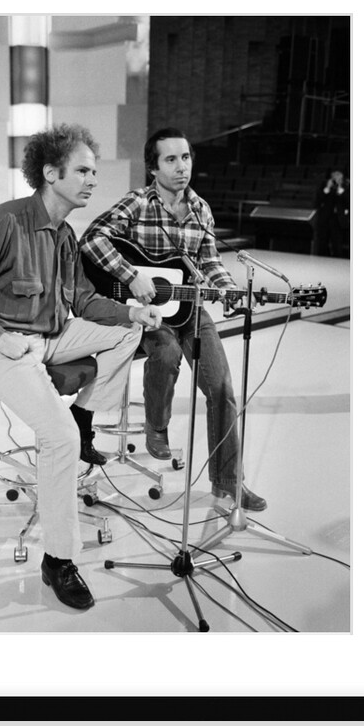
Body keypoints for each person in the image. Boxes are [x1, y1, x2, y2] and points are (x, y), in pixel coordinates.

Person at [0, 123, 162, 611]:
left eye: (93, 172)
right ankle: (59, 561)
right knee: (56, 439)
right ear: (50, 172)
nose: (91, 180)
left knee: (129, 331)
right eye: (82, 170)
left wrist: (130, 312)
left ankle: (84, 417)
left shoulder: (65, 234)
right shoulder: (6, 222)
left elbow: (80, 299)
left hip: (50, 335)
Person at [79, 126, 267, 511]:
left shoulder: (201, 209)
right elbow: (92, 239)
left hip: (190, 308)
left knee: (222, 389)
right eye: (171, 159)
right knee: (165, 355)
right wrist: (133, 276)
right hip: (148, 314)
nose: (182, 167)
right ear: (153, 167)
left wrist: (228, 289)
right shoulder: (137, 203)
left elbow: (210, 261)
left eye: (186, 158)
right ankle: (156, 426)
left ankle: (228, 482)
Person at [315, 169, 350, 257]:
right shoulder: (325, 185)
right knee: (323, 242)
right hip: (326, 218)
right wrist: (327, 188)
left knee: (337, 243)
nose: (337, 179)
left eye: (339, 177)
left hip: (339, 219)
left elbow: (349, 202)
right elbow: (317, 201)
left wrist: (341, 190)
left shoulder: (347, 187)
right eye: (335, 177)